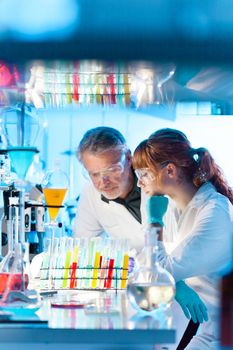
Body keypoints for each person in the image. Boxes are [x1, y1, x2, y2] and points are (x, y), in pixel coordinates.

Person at [74, 126, 208, 331]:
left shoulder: (162, 181)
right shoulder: (91, 196)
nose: (103, 182)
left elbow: (193, 238)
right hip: (144, 292)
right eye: (95, 174)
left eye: (112, 170)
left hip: (195, 285)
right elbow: (83, 249)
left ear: (128, 158)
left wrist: (177, 280)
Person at [132, 128, 233, 349]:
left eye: (144, 174)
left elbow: (156, 274)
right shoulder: (175, 206)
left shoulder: (214, 212)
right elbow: (146, 261)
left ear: (170, 170)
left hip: (215, 333)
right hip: (190, 322)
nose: (139, 183)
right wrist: (176, 283)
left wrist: (154, 222)